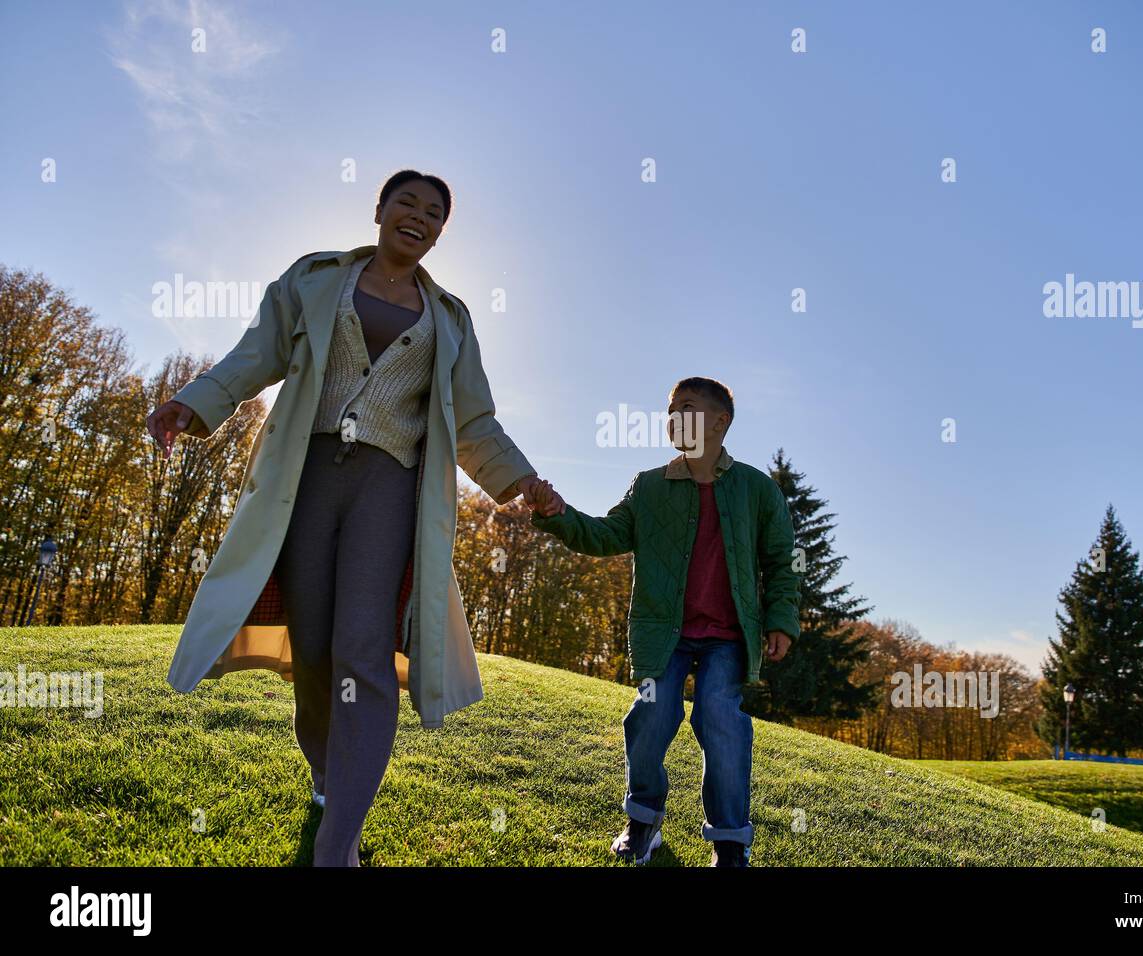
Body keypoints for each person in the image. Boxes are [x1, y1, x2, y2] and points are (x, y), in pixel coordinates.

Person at [146, 169, 555, 866]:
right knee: (314, 652)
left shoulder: (450, 318)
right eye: (407, 203)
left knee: (363, 651)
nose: (418, 218)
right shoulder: (313, 278)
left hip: (390, 486)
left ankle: (338, 845)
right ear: (379, 210)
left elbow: (475, 417)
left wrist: (521, 479)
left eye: (433, 213)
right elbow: (258, 355)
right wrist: (194, 402)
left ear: (440, 231)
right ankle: (329, 778)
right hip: (305, 477)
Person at [525, 377, 801, 866]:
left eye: (687, 407)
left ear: (721, 422)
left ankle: (731, 844)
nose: (674, 417)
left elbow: (782, 560)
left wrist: (781, 620)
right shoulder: (649, 485)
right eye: (670, 409)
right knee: (650, 716)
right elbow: (606, 534)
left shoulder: (757, 489)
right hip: (664, 635)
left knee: (720, 719)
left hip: (728, 639)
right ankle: (643, 821)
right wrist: (559, 513)